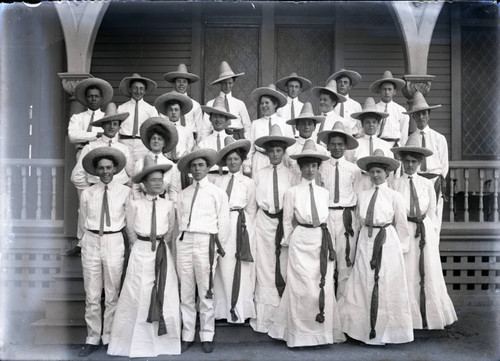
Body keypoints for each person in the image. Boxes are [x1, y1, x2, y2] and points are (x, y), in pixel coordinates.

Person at [268, 139, 345, 348]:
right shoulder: (292, 192)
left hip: (320, 240)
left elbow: (326, 220)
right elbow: (286, 220)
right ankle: (299, 335)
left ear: (318, 168)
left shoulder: (324, 193)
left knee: (321, 286)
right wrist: (291, 240)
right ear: (300, 168)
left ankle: (322, 334)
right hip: (300, 240)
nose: (310, 170)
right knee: (301, 287)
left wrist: (328, 245)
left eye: (314, 166)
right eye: (306, 166)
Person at [108, 156, 181, 357]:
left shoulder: (168, 205)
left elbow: (170, 229)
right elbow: (130, 229)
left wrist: (159, 243)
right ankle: (136, 344)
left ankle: (164, 344)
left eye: (161, 179)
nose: (159, 183)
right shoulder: (135, 204)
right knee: (138, 293)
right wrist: (141, 245)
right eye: (154, 180)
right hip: (140, 251)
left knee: (163, 292)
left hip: (161, 251)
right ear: (144, 183)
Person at [338, 149, 413, 346]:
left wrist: (401, 250)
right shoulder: (363, 195)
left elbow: (402, 224)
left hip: (387, 240)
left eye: (379, 171)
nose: (375, 175)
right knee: (363, 282)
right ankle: (361, 331)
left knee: (386, 283)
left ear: (387, 173)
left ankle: (386, 332)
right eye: (372, 172)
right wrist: (355, 249)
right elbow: (357, 223)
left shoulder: (394, 196)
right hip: (365, 240)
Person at [391, 138, 457, 330]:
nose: (410, 165)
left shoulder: (426, 184)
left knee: (428, 270)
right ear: (402, 162)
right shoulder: (395, 184)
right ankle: (408, 318)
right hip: (405, 230)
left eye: (414, 161)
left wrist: (431, 234)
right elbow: (394, 213)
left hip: (424, 229)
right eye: (407, 161)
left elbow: (432, 211)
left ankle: (430, 317)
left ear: (419, 163)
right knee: (408, 271)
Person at [77, 147, 131, 357]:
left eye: (109, 167)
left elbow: (130, 221)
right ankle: (92, 337)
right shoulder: (89, 192)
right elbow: (82, 221)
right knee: (91, 294)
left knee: (112, 292)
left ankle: (109, 337)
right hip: (91, 239)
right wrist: (84, 241)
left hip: (114, 239)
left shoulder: (125, 191)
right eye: (101, 168)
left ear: (116, 169)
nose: (105, 171)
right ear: (96, 170)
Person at [175, 148, 231, 353]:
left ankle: (207, 334)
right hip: (185, 240)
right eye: (194, 166)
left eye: (201, 165)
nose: (197, 169)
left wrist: (216, 248)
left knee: (206, 290)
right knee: (186, 290)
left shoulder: (217, 193)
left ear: (208, 167)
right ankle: (187, 334)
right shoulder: (183, 195)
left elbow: (224, 224)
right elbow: (179, 221)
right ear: (189, 170)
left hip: (205, 242)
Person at [250, 125, 296, 333]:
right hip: (264, 222)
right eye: (271, 151)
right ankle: (265, 320)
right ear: (267, 153)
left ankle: (283, 318)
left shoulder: (292, 175)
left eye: (279, 150)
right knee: (265, 267)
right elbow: (252, 205)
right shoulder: (259, 174)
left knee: (284, 265)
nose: (275, 154)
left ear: (284, 152)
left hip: (284, 223)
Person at [212, 138, 257, 324]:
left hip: (241, 223)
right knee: (223, 265)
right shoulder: (218, 181)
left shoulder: (248, 182)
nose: (232, 162)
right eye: (229, 159)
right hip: (223, 223)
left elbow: (252, 208)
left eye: (236, 159)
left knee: (241, 266)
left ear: (241, 161)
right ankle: (222, 310)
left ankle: (241, 310)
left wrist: (247, 229)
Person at [317, 121, 362, 298]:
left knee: (345, 262)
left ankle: (343, 307)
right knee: (327, 260)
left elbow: (358, 197)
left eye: (340, 144)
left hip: (346, 217)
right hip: (327, 215)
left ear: (345, 147)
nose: (336, 148)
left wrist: (355, 224)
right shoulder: (321, 167)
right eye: (333, 144)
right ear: (327, 146)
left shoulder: (353, 170)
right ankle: (328, 306)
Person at [405, 91, 448, 233]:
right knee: (419, 215)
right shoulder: (410, 139)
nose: (421, 117)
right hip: (418, 181)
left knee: (435, 218)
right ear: (413, 116)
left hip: (434, 181)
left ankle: (433, 250)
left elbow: (444, 165)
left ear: (429, 115)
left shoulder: (439, 138)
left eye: (424, 113)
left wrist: (438, 183)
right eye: (418, 114)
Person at [71, 103, 133, 190]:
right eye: (108, 123)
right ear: (102, 125)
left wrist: (125, 189)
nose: (112, 127)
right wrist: (90, 190)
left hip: (119, 193)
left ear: (119, 127)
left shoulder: (124, 149)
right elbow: (77, 175)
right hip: (97, 191)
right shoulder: (91, 147)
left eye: (115, 124)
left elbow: (132, 174)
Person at [248, 83, 293, 177]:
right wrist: (247, 164)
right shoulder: (255, 124)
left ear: (275, 104)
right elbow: (251, 147)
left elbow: (290, 147)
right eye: (262, 103)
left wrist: (292, 163)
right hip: (260, 160)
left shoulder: (284, 123)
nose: (264, 105)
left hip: (279, 160)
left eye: (267, 103)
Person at [350, 97, 395, 190]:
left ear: (378, 124)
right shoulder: (355, 145)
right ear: (362, 124)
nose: (371, 125)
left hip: (381, 186)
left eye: (374, 122)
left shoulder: (386, 146)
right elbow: (350, 167)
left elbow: (390, 172)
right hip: (360, 184)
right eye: (367, 122)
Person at [117, 73, 158, 172]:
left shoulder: (150, 109)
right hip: (124, 143)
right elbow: (116, 129)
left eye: (141, 88)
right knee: (124, 171)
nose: (138, 91)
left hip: (142, 145)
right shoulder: (122, 108)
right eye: (135, 88)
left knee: (141, 171)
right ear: (130, 89)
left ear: (145, 91)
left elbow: (155, 129)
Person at [132, 117, 180, 202]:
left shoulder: (171, 165)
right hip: (143, 204)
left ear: (164, 143)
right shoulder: (139, 163)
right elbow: (135, 189)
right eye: (153, 138)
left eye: (160, 139)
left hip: (163, 205)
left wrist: (172, 207)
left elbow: (173, 191)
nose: (156, 141)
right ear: (149, 140)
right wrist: (139, 205)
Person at [203, 61, 251, 140]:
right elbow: (205, 128)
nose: (227, 86)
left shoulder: (240, 104)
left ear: (233, 83)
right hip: (217, 137)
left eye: (230, 83)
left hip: (236, 138)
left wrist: (246, 140)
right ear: (220, 83)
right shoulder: (211, 104)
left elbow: (248, 126)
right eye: (224, 83)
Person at [68, 77, 113, 160]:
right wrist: (97, 135)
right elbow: (72, 136)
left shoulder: (106, 118)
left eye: (96, 96)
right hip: (82, 154)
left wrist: (83, 136)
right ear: (86, 98)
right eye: (90, 96)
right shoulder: (77, 117)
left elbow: (111, 137)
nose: (93, 99)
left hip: (101, 154)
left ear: (101, 98)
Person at [284, 102, 330, 175]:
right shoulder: (290, 150)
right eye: (303, 123)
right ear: (297, 127)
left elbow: (324, 174)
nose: (306, 127)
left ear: (314, 127)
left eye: (310, 124)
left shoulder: (322, 151)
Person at [199, 97, 237, 182]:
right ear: (210, 119)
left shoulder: (233, 142)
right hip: (209, 179)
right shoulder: (204, 143)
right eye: (215, 116)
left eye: (221, 116)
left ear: (226, 120)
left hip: (228, 178)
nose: (218, 120)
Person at [163, 63, 204, 141]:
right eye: (178, 81)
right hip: (171, 139)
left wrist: (197, 145)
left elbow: (200, 128)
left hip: (191, 140)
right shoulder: (167, 103)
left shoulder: (195, 105)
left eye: (184, 81)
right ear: (173, 83)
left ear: (188, 84)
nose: (181, 84)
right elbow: (163, 123)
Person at [369, 70, 410, 147]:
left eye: (389, 89)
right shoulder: (374, 109)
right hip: (378, 144)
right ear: (380, 91)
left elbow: (404, 135)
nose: (387, 92)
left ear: (394, 92)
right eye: (384, 89)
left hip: (394, 146)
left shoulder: (401, 111)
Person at [154, 91, 195, 163]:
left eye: (176, 110)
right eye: (170, 110)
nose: (173, 112)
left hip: (181, 163)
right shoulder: (162, 129)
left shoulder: (187, 130)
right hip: (166, 162)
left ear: (181, 112)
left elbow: (189, 149)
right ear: (166, 112)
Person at [328, 68, 363, 137]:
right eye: (339, 82)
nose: (342, 84)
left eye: (345, 82)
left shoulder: (356, 105)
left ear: (350, 86)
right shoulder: (330, 103)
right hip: (333, 137)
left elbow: (360, 127)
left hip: (352, 137)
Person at [311, 78, 348, 144]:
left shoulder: (341, 122)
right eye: (320, 99)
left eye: (325, 100)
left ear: (333, 102)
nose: (321, 102)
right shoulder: (314, 120)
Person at [275, 72, 312, 137]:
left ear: (300, 90)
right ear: (286, 88)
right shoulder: (280, 107)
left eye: (296, 87)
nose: (294, 89)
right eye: (291, 86)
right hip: (284, 139)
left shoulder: (303, 107)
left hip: (300, 138)